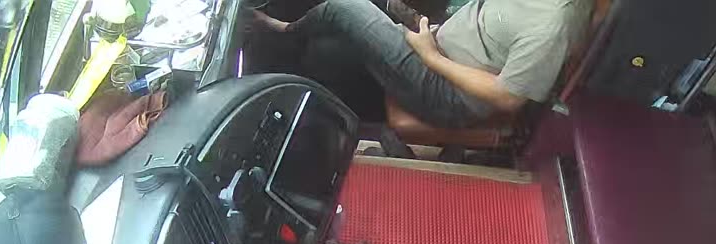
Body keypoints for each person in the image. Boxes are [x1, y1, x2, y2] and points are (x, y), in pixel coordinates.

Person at [251, 0, 592, 128]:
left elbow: (508, 97)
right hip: (440, 38)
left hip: (446, 92)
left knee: (345, 8)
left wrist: (430, 56)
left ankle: (281, 31)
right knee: (331, 48)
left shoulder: (553, 24)